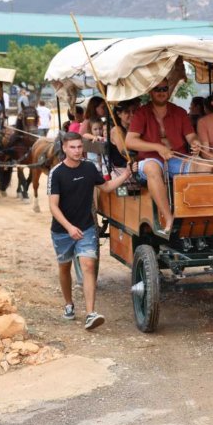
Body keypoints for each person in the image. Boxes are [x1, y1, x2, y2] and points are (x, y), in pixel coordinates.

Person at [48, 131, 134, 330]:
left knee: (88, 266)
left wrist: (127, 174)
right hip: (62, 230)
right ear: (64, 148)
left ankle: (90, 313)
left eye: (79, 147)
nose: (77, 151)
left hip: (86, 227)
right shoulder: (57, 173)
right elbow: (53, 206)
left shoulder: (89, 168)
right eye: (73, 147)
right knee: (64, 267)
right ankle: (69, 304)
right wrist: (69, 228)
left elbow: (106, 187)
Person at [125, 79, 202, 234]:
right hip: (149, 159)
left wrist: (195, 143)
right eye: (157, 89)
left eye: (164, 89)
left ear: (169, 90)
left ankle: (198, 217)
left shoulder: (179, 112)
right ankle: (169, 219)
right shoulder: (142, 113)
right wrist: (157, 147)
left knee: (204, 166)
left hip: (176, 157)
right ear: (150, 92)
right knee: (152, 168)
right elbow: (129, 141)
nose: (161, 92)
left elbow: (191, 136)